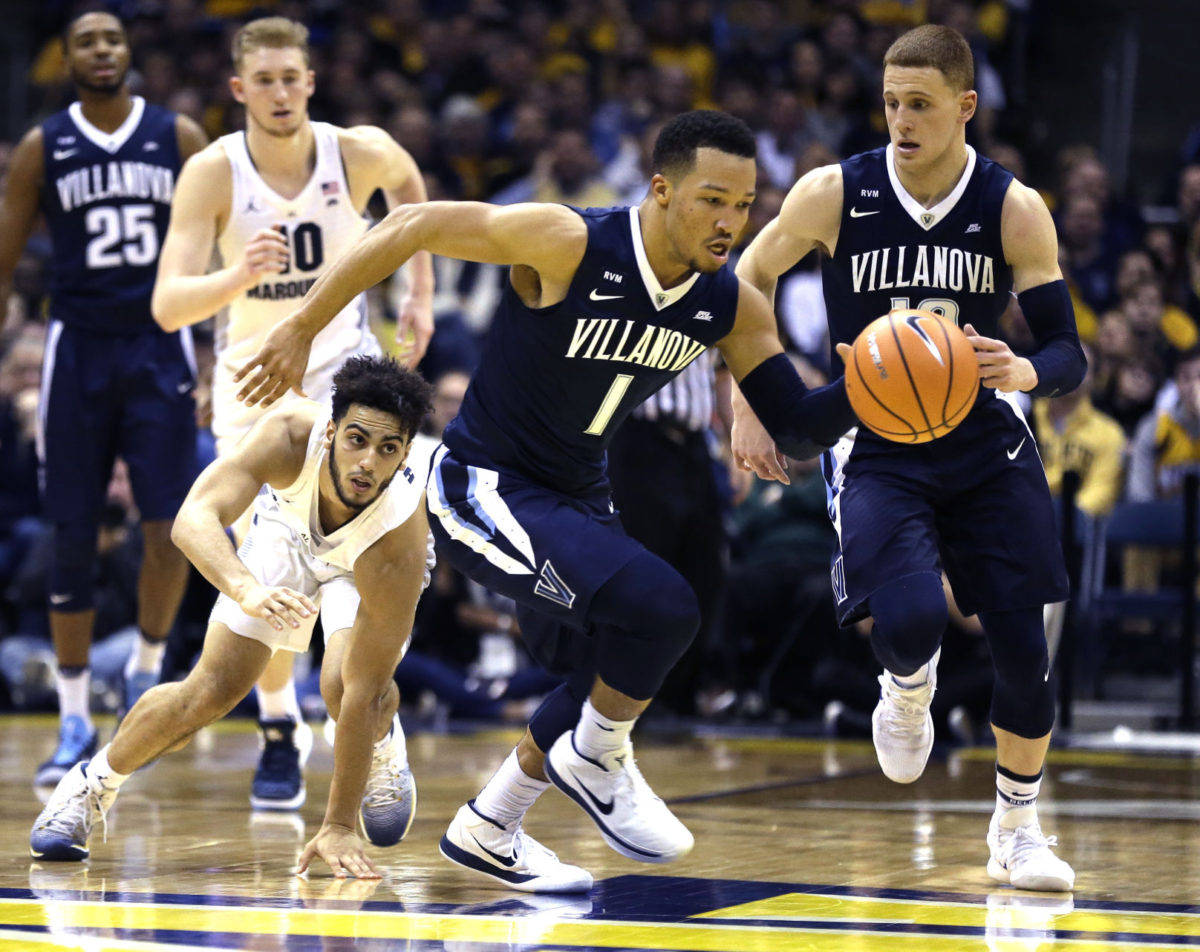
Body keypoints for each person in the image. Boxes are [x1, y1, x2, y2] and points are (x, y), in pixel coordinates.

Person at [234, 110, 856, 892]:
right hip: (483, 486)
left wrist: (865, 387)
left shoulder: (731, 304)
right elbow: (414, 223)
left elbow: (798, 429)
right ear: (660, 192)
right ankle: (596, 760)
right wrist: (301, 325)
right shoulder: (571, 242)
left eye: (744, 205)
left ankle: (491, 823)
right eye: (712, 200)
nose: (732, 222)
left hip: (576, 498)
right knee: (664, 609)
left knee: (611, 664)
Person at [732, 25, 1085, 892]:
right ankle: (905, 684)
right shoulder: (833, 193)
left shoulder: (1013, 207)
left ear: (966, 107)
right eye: (890, 102)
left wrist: (1029, 368)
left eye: (920, 104)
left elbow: (1069, 349)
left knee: (1022, 653)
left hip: (985, 439)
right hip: (875, 439)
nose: (900, 119)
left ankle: (1016, 831)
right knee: (915, 618)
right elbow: (748, 276)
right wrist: (745, 396)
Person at [150, 16, 433, 811]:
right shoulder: (212, 172)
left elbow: (414, 192)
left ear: (311, 83)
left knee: (367, 570)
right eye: (263, 81)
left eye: (291, 78)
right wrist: (237, 272)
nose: (279, 93)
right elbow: (170, 305)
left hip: (349, 389)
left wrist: (419, 291)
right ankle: (281, 725)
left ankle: (374, 719)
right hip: (254, 394)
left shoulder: (359, 151)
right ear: (239, 90)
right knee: (267, 587)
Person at [31, 355, 434, 878]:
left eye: (387, 450)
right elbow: (193, 518)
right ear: (331, 431)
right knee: (209, 691)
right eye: (357, 440)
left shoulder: (400, 537)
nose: (368, 463)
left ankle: (382, 743)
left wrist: (337, 824)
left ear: (403, 456)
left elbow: (361, 688)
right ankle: (90, 786)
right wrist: (244, 588)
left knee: (348, 689)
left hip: (365, 558)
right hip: (288, 531)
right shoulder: (289, 435)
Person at [0, 10, 207, 788]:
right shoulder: (40, 146)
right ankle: (73, 715)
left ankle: (144, 681)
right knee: (72, 533)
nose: (99, 50)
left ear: (128, 53)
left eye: (111, 39)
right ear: (70, 59)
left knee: (169, 527)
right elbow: (6, 255)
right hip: (76, 346)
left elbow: (220, 242)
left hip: (160, 343)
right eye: (85, 40)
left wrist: (218, 340)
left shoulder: (179, 136)